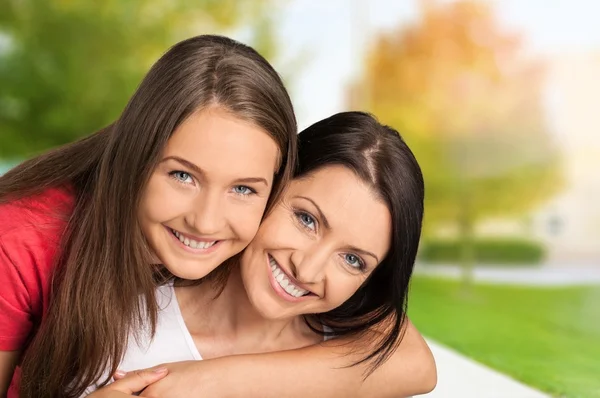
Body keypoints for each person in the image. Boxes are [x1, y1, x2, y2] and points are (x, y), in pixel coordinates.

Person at [0, 35, 434, 398]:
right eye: (183, 175)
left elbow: (413, 360)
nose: (207, 222)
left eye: (243, 189)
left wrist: (208, 380)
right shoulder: (35, 248)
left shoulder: (338, 321)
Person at [90, 112, 435, 398]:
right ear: (268, 185)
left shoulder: (353, 357)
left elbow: (415, 361)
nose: (308, 269)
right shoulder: (121, 327)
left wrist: (212, 381)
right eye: (306, 219)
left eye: (353, 260)